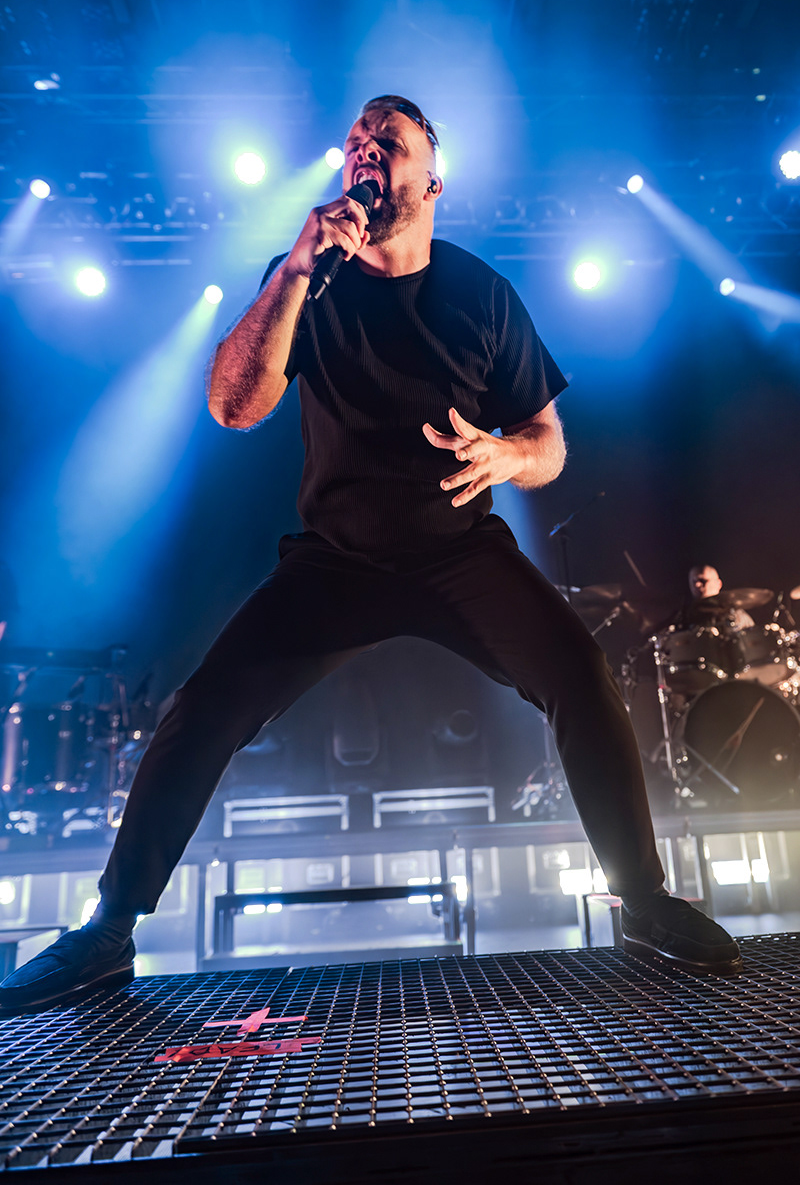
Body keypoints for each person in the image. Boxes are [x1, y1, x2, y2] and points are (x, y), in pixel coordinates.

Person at [0, 96, 741, 1015]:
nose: (365, 152)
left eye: (387, 141)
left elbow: (548, 441)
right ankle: (109, 928)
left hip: (459, 552)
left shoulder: (482, 294)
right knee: (202, 710)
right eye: (355, 142)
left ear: (432, 181)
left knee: (582, 676)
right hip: (337, 560)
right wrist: (296, 271)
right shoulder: (308, 281)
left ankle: (645, 901)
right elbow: (233, 406)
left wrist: (509, 456)